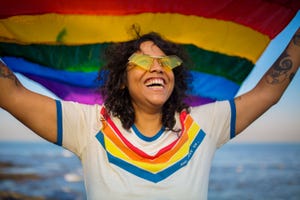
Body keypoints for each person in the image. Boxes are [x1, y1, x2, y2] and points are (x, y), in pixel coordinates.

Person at [0, 28, 299, 200]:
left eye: (166, 61)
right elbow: (11, 93)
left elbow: (267, 93)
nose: (158, 67)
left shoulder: (203, 124)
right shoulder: (89, 125)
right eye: (143, 60)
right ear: (121, 77)